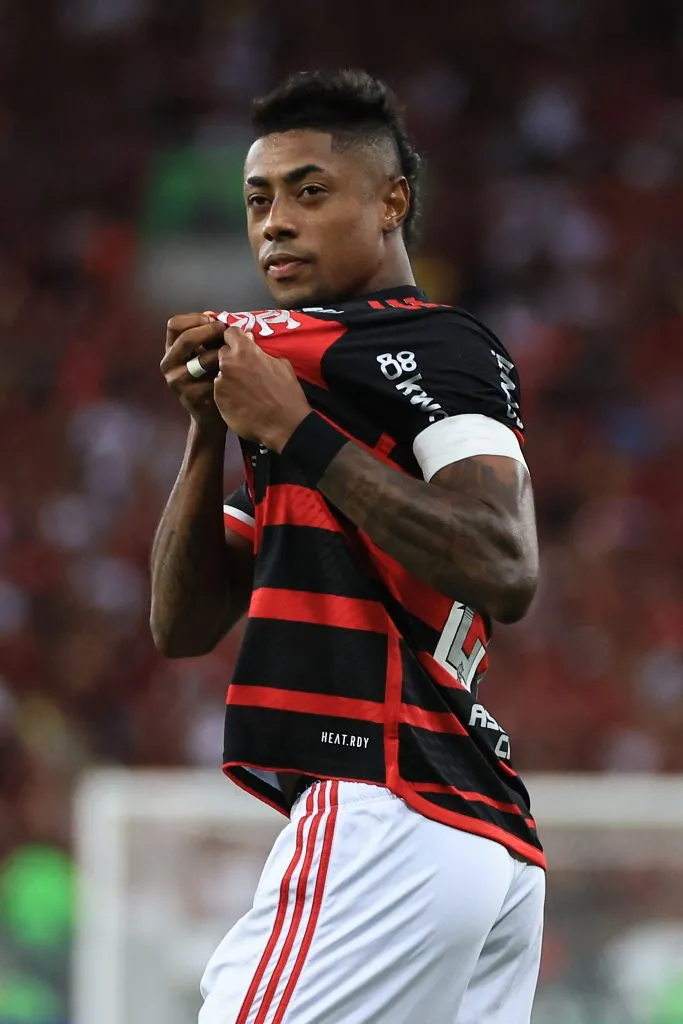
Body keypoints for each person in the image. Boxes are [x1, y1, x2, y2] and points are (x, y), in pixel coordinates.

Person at [151, 69, 545, 1024]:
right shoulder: (318, 403)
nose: (275, 224)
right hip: (471, 830)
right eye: (258, 200)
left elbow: (504, 564)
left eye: (309, 191)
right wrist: (209, 434)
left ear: (390, 203)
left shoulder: (437, 345)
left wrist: (293, 428)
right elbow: (181, 625)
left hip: (386, 805)